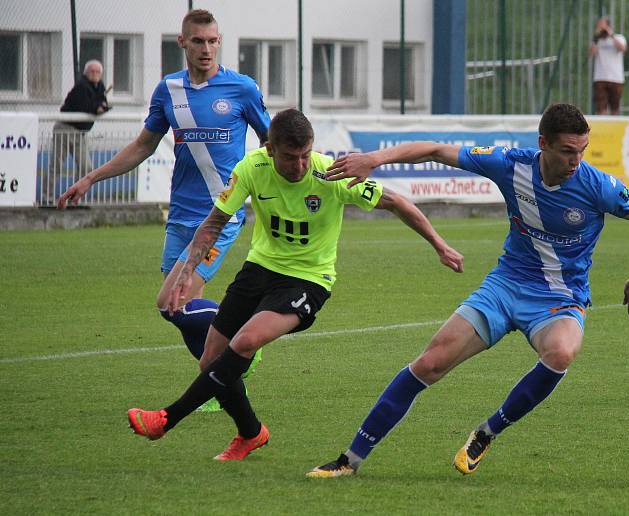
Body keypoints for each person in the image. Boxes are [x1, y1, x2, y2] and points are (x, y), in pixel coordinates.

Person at [307, 103, 629, 478]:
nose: (576, 161)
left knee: (562, 352)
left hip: (559, 298)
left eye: (582, 151)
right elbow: (434, 149)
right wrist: (374, 158)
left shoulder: (597, 185)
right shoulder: (510, 164)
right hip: (506, 286)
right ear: (544, 144)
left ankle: (488, 432)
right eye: (568, 151)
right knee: (429, 363)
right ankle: (350, 460)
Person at [125, 108, 464, 461]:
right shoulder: (251, 169)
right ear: (270, 148)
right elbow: (214, 223)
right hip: (259, 269)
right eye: (290, 157)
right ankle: (251, 433)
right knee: (210, 361)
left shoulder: (329, 173)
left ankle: (166, 418)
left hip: (308, 279)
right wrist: (185, 272)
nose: (300, 166)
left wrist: (438, 244)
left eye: (305, 155)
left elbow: (395, 202)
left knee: (246, 341)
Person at [58, 10, 271, 411]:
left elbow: (270, 143)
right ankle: (217, 374)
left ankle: (238, 347)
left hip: (220, 215)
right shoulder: (168, 90)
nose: (206, 49)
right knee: (180, 308)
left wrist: (266, 193)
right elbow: (142, 146)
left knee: (175, 299)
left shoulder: (241, 89)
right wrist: (91, 178)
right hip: (180, 215)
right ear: (182, 43)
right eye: (198, 42)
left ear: (219, 41)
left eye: (212, 41)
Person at [45, 59, 110, 205]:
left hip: (80, 131)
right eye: (92, 71)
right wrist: (97, 108)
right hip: (65, 128)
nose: (95, 74)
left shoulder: (100, 86)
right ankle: (47, 197)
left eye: (97, 72)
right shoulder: (81, 86)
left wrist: (102, 107)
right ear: (86, 73)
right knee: (56, 165)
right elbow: (85, 105)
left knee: (86, 166)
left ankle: (75, 198)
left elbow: (101, 102)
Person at [588, 16, 627, 115]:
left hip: (616, 78)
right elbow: (591, 53)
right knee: (601, 106)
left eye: (603, 26)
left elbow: (622, 49)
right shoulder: (597, 41)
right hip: (601, 77)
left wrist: (611, 34)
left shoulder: (619, 37)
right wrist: (596, 38)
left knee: (615, 106)